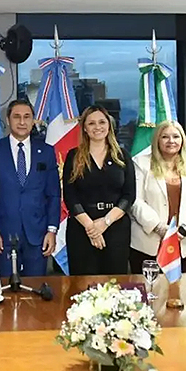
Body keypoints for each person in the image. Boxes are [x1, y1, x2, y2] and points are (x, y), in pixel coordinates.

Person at [0, 99, 60, 277]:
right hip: (3, 234)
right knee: (6, 287)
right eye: (17, 117)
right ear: (8, 120)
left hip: (38, 235)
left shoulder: (46, 151)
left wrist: (52, 230)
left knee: (36, 288)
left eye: (27, 117)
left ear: (33, 120)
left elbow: (53, 194)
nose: (22, 122)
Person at [130, 120, 186, 273]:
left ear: (182, 140)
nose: (171, 141)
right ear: (157, 140)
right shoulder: (141, 163)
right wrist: (159, 228)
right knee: (150, 288)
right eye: (165, 137)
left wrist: (184, 230)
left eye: (176, 136)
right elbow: (135, 201)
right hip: (149, 246)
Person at [63, 105, 135, 275]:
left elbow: (129, 195)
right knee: (82, 284)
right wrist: (92, 228)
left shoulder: (122, 156)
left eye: (102, 122)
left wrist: (105, 222)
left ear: (109, 125)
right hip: (82, 229)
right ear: (85, 128)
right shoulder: (74, 156)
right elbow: (70, 196)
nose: (97, 127)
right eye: (91, 123)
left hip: (116, 228)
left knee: (115, 283)